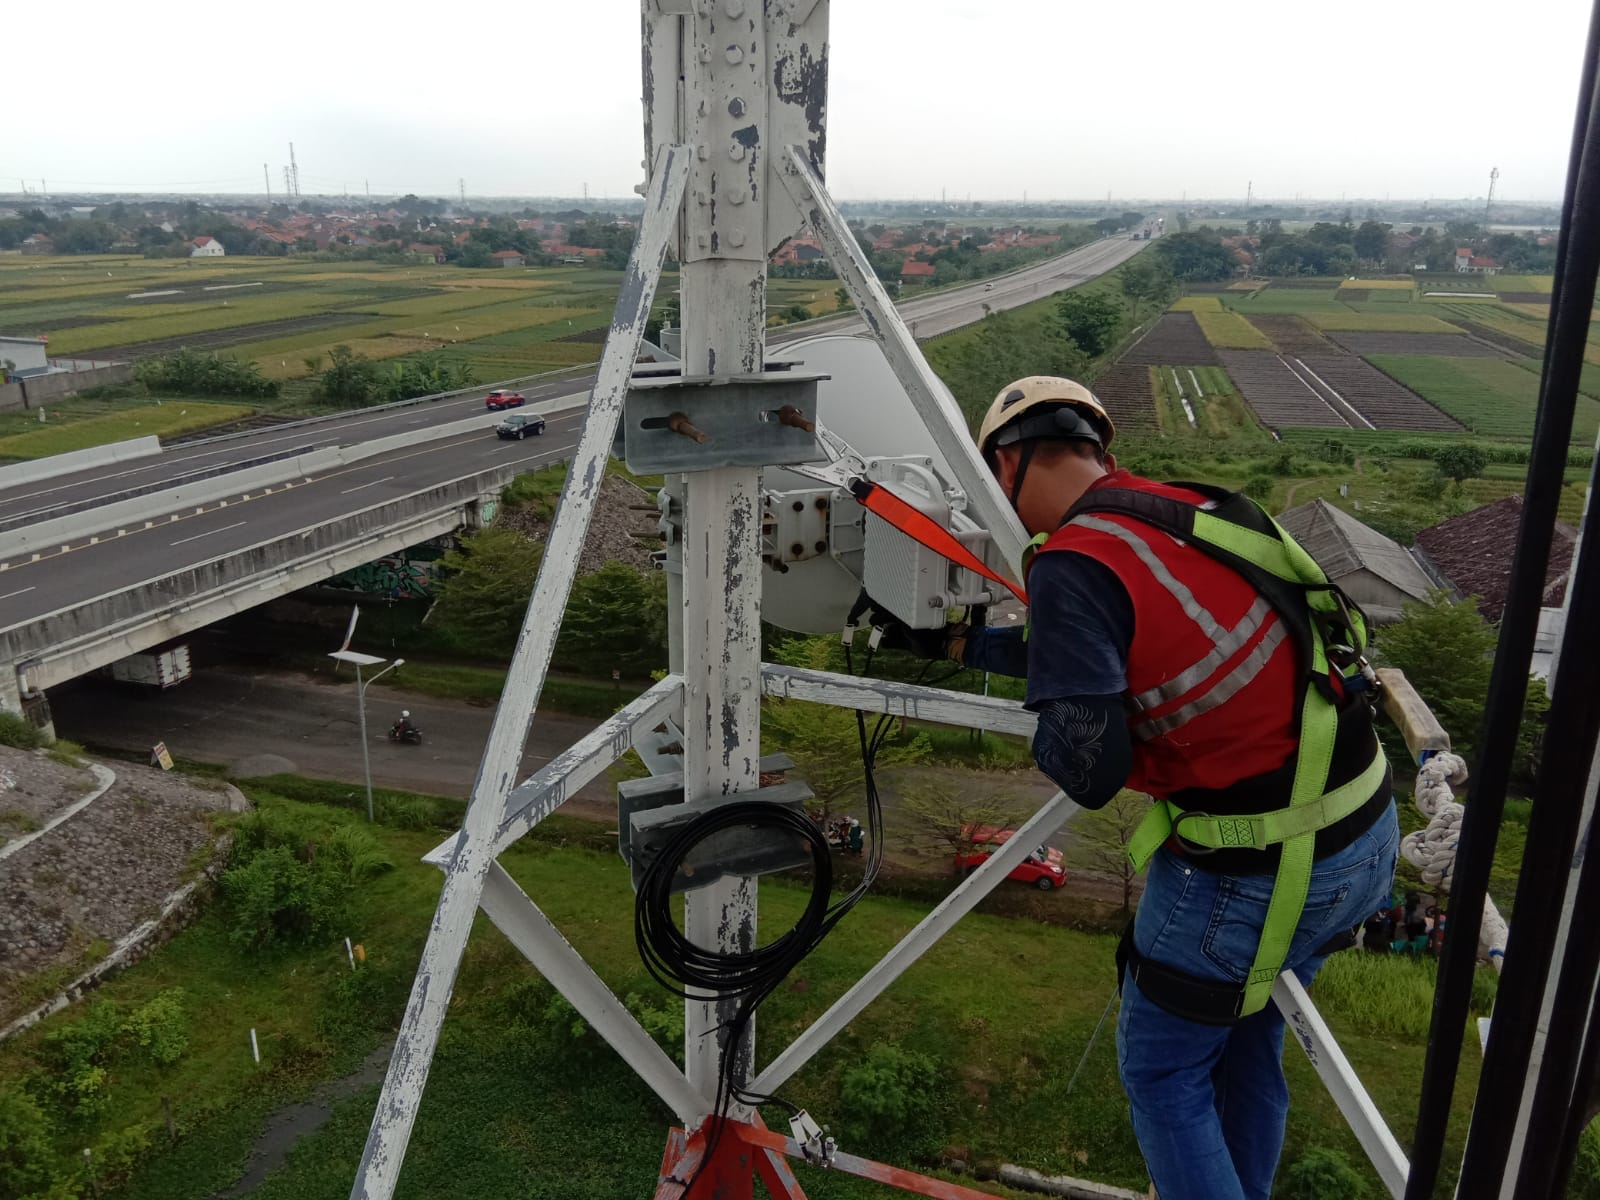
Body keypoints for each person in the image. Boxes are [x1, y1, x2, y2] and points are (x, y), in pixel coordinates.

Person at [873, 376, 1398, 1200]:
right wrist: (959, 647)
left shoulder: (1071, 562)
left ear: (1004, 465)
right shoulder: (1192, 509)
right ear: (1095, 447)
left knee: (1163, 1073)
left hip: (1251, 875)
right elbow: (1108, 644)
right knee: (1246, 1041)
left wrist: (1052, 715)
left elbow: (1092, 768)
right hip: (1361, 836)